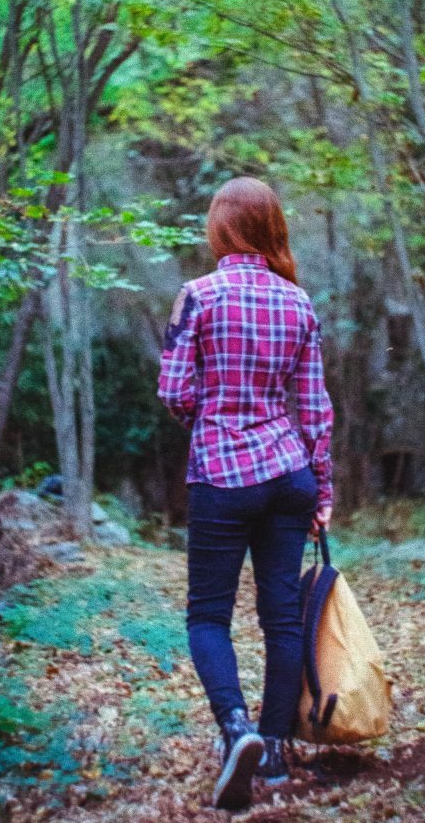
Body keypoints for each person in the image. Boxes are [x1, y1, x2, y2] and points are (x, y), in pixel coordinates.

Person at [157, 176, 334, 811]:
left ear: (221, 228)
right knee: (282, 618)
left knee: (208, 615)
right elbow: (315, 408)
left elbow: (175, 391)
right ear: (270, 228)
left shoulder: (196, 297)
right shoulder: (299, 303)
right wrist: (324, 491)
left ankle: (237, 730)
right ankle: (277, 751)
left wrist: (213, 421)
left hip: (222, 478)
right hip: (289, 473)